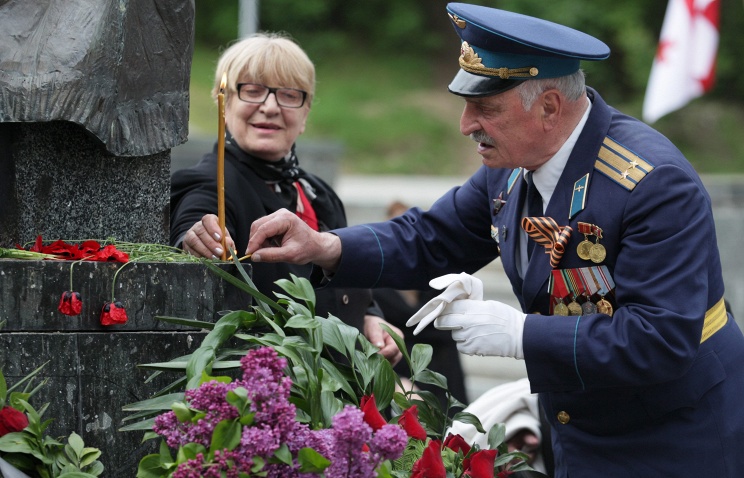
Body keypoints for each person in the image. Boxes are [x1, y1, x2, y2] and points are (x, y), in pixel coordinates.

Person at [244, 3, 744, 477]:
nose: (466, 126)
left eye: (485, 108)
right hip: (580, 425)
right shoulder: (513, 165)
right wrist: (324, 247)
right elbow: (432, 238)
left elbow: (659, 338)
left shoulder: (651, 182)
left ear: (549, 106)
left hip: (674, 435)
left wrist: (520, 333)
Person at [169, 33, 401, 364]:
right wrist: (192, 239)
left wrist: (370, 317)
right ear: (224, 103)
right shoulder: (209, 183)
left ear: (305, 113)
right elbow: (194, 223)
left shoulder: (319, 193)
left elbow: (343, 276)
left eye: (289, 95)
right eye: (252, 90)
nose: (270, 106)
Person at [373, 201, 468, 410]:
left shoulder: (440, 294)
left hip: (442, 397)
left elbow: (453, 368)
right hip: (398, 398)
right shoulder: (375, 298)